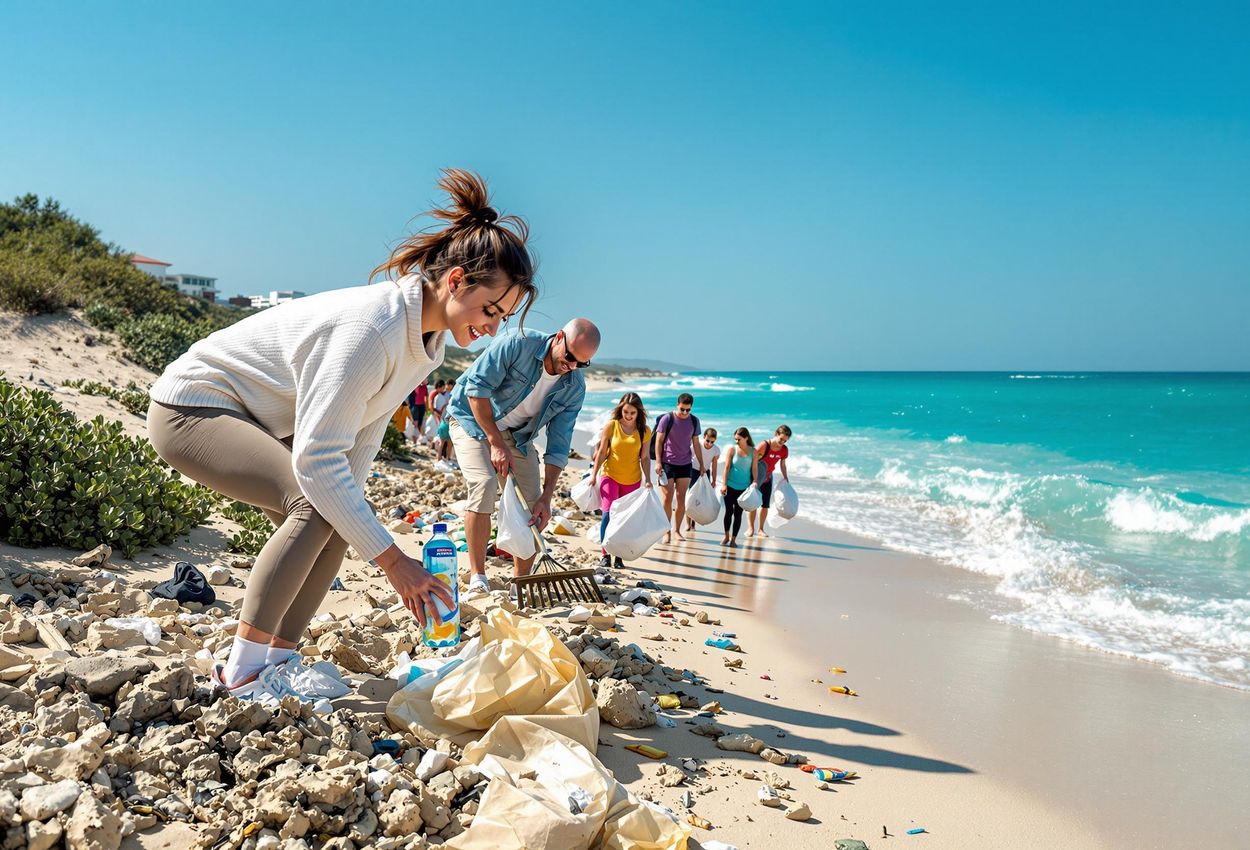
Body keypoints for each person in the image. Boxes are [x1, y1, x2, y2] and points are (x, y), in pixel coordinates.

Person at [145, 168, 536, 692]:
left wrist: (361, 523)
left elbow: (361, 440)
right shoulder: (373, 330)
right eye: (490, 310)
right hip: (191, 407)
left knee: (335, 513)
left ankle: (277, 662)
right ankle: (240, 673)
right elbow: (315, 463)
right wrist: (394, 562)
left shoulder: (425, 343)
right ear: (456, 280)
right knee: (313, 502)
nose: (492, 327)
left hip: (259, 419)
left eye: (503, 318)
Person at [447, 319, 601, 594]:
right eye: (569, 357)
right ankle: (478, 578)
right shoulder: (517, 343)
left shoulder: (574, 387)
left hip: (517, 436)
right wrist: (494, 442)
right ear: (558, 338)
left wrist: (547, 496)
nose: (572, 366)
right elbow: (476, 389)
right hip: (471, 418)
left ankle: (520, 584)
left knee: (533, 507)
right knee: (484, 484)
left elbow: (558, 443)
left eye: (582, 363)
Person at [590, 392, 653, 568]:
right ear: (621, 410)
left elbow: (646, 457)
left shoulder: (645, 431)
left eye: (633, 413)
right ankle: (605, 554)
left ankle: (618, 556)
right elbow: (602, 452)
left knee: (623, 519)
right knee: (608, 514)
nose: (629, 416)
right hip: (610, 475)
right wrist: (594, 475)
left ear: (639, 413)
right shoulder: (611, 426)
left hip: (632, 480)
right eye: (626, 412)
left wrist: (648, 479)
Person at [652, 393, 703, 543]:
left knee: (681, 499)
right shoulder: (667, 419)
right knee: (667, 498)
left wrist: (700, 464)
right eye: (682, 409)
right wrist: (658, 462)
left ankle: (677, 531)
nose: (685, 413)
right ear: (677, 405)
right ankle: (666, 531)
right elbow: (659, 442)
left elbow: (696, 443)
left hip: (685, 464)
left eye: (688, 410)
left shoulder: (694, 421)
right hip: (667, 463)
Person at [748, 424, 792, 537]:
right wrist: (753, 478)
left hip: (768, 478)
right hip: (757, 478)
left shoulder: (784, 450)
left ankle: (760, 529)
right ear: (776, 434)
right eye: (781, 439)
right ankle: (751, 528)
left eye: (785, 441)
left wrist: (786, 477)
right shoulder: (764, 445)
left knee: (765, 505)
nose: (782, 442)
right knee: (753, 503)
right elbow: (752, 459)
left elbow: (783, 464)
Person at [719, 427, 757, 548]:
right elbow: (726, 468)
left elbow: (754, 469)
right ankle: (726, 536)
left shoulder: (753, 451)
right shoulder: (732, 450)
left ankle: (734, 539)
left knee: (738, 514)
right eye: (735, 439)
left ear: (746, 438)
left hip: (744, 488)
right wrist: (724, 484)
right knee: (728, 512)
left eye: (739, 439)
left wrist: (755, 482)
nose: (736, 441)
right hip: (730, 485)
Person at [685, 427, 719, 533]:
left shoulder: (716, 450)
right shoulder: (697, 444)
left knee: (700, 498)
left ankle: (694, 523)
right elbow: (688, 459)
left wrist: (713, 480)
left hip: (705, 474)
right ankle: (687, 524)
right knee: (691, 496)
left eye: (712, 442)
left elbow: (714, 465)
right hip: (693, 471)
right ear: (704, 437)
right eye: (707, 440)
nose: (709, 443)